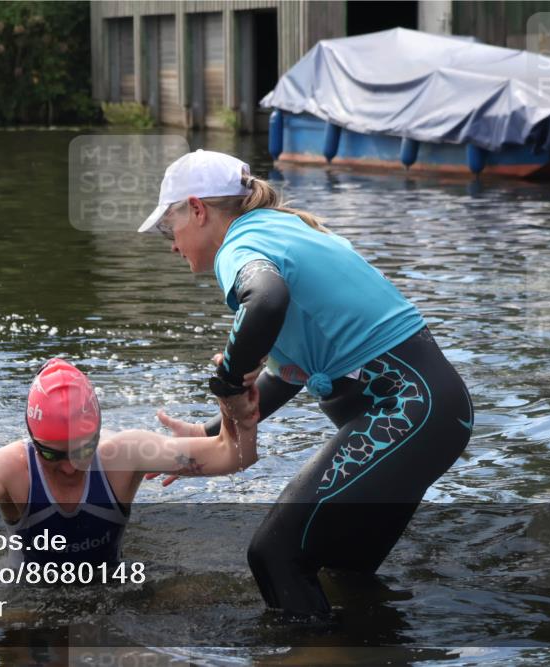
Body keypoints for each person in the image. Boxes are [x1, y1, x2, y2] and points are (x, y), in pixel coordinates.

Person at [138, 149, 474, 616]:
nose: (171, 245)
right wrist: (213, 433)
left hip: (407, 411)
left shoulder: (238, 245)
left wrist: (228, 382)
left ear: (197, 210)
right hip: (432, 412)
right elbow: (291, 370)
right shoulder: (281, 229)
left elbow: (266, 300)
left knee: (273, 554)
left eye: (166, 228)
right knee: (343, 574)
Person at [0, 358, 259, 564]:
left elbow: (234, 455)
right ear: (32, 440)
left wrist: (233, 407)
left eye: (82, 450)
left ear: (97, 435)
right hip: (28, 611)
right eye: (51, 453)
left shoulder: (123, 454)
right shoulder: (8, 469)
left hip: (109, 598)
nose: (68, 467)